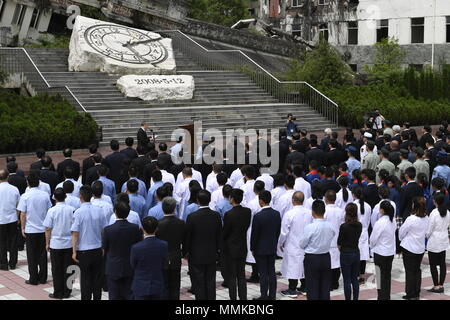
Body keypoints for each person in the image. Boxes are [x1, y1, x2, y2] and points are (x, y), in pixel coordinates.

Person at [71, 185, 107, 300]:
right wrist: (103, 247)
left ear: (80, 196)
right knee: (97, 279)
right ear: (91, 196)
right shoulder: (99, 210)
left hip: (84, 251)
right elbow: (104, 230)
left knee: (85, 280)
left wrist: (74, 251)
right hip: (97, 249)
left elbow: (75, 233)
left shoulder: (78, 212)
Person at [185, 190, 222, 300]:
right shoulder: (216, 215)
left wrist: (186, 252)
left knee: (199, 282)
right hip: (211, 253)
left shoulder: (192, 216)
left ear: (197, 201)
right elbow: (219, 235)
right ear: (209, 200)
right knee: (211, 281)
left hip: (196, 255)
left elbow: (188, 237)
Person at [103, 201, 142, 300]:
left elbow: (105, 248)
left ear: (115, 212)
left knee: (114, 296)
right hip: (130, 266)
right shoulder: (135, 228)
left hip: (113, 267)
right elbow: (138, 246)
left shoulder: (108, 230)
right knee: (129, 294)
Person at [18, 174, 52, 285]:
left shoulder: (25, 196)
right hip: (43, 229)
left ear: (28, 183)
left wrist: (23, 227)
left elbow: (23, 214)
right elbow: (49, 211)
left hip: (31, 229)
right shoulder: (45, 195)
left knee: (31, 255)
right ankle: (43, 278)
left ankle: (33, 278)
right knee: (43, 255)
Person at [43, 188, 75, 299]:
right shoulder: (72, 209)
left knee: (56, 269)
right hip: (69, 243)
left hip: (56, 243)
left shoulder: (51, 211)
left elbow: (47, 228)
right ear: (65, 196)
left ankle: (58, 292)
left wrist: (47, 243)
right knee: (69, 268)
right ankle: (67, 291)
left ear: (54, 198)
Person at [300, 200, 335, 300]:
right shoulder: (330, 226)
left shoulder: (310, 227)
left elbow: (302, 244)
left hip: (312, 258)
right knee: (325, 287)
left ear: (313, 212)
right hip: (325, 257)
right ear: (324, 211)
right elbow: (332, 235)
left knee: (312, 287)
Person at [250, 191, 281, 300]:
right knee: (271, 271)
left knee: (263, 273)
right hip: (272, 246)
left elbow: (254, 234)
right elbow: (278, 231)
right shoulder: (276, 214)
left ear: (261, 201)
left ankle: (264, 295)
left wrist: (252, 247)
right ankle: (272, 295)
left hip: (260, 248)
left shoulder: (258, 216)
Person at [279, 192, 311, 298]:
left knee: (292, 267)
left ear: (293, 200)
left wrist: (281, 243)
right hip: (306, 244)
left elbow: (284, 231)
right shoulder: (309, 213)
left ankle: (292, 289)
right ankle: (305, 287)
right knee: (303, 266)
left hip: (292, 244)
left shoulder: (289, 214)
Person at [222, 189, 251, 300]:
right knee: (241, 275)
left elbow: (225, 232)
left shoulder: (229, 214)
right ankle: (243, 298)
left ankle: (233, 298)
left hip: (231, 248)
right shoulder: (247, 211)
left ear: (232, 199)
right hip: (242, 246)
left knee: (232, 276)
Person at [155, 197, 186, 300]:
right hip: (176, 256)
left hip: (162, 258)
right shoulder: (181, 223)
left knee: (164, 286)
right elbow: (184, 240)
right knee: (175, 285)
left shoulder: (158, 224)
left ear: (163, 208)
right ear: (174, 209)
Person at [130, 217, 168, 300]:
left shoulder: (136, 247)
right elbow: (164, 264)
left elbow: (133, 265)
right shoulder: (163, 245)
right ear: (157, 228)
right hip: (157, 284)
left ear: (142, 228)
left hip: (140, 285)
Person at [399, 197, 429, 300]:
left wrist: (401, 239)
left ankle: (410, 293)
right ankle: (416, 292)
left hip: (409, 247)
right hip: (420, 248)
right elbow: (426, 233)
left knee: (410, 271)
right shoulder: (426, 218)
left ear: (414, 206)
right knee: (417, 270)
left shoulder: (411, 219)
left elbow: (402, 232)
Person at [369, 201, 396, 300]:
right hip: (389, 252)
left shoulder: (380, 222)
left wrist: (372, 246)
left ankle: (381, 297)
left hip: (380, 252)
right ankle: (386, 296)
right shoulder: (392, 221)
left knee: (380, 278)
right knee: (387, 276)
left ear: (382, 210)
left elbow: (373, 238)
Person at [425, 193, 450, 293]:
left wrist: (426, 235)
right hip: (443, 239)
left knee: (433, 264)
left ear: (435, 201)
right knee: (442, 263)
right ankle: (441, 285)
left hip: (434, 240)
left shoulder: (434, 213)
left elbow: (430, 228)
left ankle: (436, 285)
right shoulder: (447, 212)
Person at [337, 203, 362, 300]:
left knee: (347, 280)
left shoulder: (344, 226)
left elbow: (339, 242)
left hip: (345, 253)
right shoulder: (359, 225)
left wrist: (342, 249)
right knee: (354, 279)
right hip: (356, 252)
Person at [324, 190, 345, 291]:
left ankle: (328, 283)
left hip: (326, 240)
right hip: (337, 240)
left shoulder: (324, 210)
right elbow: (342, 226)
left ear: (326, 198)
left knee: (328, 263)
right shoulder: (340, 211)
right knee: (336, 263)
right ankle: (335, 283)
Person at [0, 169, 20, 270]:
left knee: (1, 242)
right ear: (8, 177)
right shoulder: (14, 189)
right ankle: (13, 263)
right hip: (12, 218)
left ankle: (3, 263)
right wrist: (17, 216)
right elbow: (18, 205)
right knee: (13, 241)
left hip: (0, 219)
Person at [352, 187, 371, 284]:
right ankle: (362, 277)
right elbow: (368, 221)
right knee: (363, 255)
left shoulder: (353, 205)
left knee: (355, 254)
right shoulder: (368, 206)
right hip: (364, 231)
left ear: (354, 194)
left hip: (355, 231)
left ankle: (355, 275)